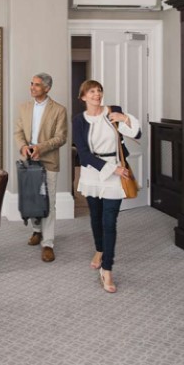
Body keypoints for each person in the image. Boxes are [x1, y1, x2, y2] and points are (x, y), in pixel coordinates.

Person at [73, 79, 141, 293]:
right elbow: (83, 153)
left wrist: (124, 118)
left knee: (109, 221)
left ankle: (107, 269)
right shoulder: (79, 120)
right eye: (91, 91)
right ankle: (99, 249)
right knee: (95, 216)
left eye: (99, 91)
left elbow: (137, 134)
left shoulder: (113, 112)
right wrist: (112, 169)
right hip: (93, 173)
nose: (97, 94)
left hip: (115, 171)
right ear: (83, 97)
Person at [14, 72, 68, 262]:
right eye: (31, 84)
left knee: (49, 203)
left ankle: (48, 243)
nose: (32, 87)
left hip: (49, 161)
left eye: (37, 85)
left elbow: (61, 137)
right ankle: (37, 231)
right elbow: (18, 131)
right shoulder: (24, 107)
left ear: (47, 88)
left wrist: (40, 148)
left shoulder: (59, 110)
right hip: (29, 160)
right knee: (32, 198)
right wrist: (23, 146)